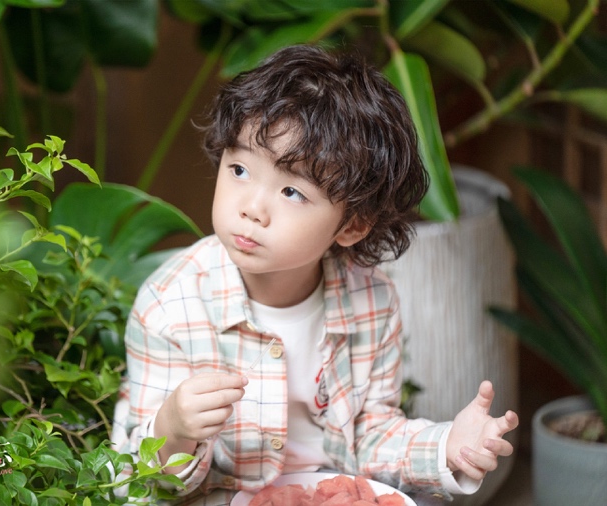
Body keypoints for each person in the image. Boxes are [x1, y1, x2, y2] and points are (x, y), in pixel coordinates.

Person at [111, 44, 518, 505]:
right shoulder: (170, 303)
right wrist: (173, 428)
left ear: (351, 225)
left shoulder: (372, 299)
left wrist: (448, 446)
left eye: (291, 191)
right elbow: (135, 483)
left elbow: (371, 434)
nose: (252, 209)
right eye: (239, 169)